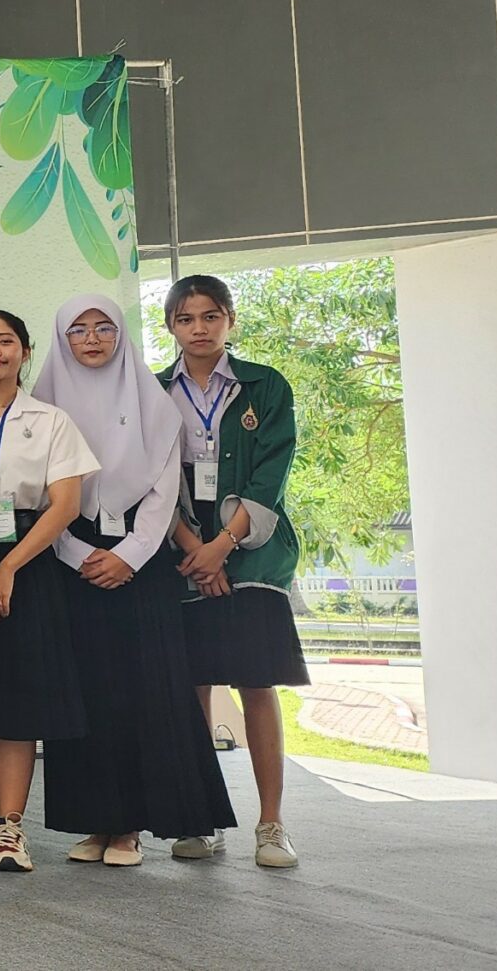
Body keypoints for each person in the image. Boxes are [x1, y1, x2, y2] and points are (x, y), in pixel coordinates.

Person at [36, 293, 237, 867]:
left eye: (104, 328)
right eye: (78, 330)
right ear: (62, 340)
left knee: (144, 692)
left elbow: (164, 491)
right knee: (85, 693)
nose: (92, 339)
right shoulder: (40, 408)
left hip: (140, 565)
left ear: (121, 335)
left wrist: (129, 555)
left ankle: (131, 830)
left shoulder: (154, 402)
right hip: (68, 559)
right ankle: (98, 822)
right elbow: (35, 499)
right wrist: (77, 554)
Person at [0, 310, 93, 874]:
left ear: (25, 351)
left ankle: (9, 828)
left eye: (5, 341)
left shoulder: (52, 420)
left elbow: (66, 505)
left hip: (27, 562)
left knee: (17, 701)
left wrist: (7, 568)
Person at [158, 275, 304, 869]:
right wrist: (196, 549)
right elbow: (149, 480)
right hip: (181, 554)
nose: (199, 328)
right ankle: (203, 818)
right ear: (171, 326)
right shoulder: (153, 392)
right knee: (192, 688)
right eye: (186, 318)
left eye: (211, 316)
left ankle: (272, 825)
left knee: (255, 684)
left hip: (252, 553)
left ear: (230, 320)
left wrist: (222, 546)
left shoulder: (265, 385)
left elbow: (272, 473)